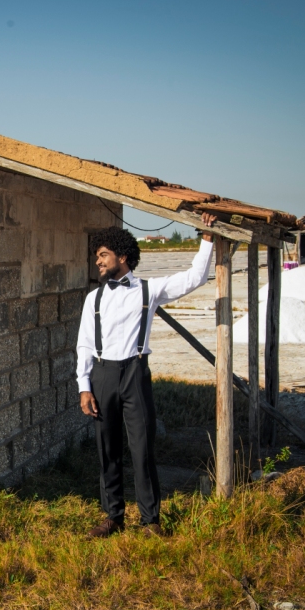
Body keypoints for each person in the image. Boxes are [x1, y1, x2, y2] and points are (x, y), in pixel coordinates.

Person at [78, 215, 217, 538]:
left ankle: (150, 520)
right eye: (97, 257)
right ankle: (113, 515)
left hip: (135, 374)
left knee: (142, 448)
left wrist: (207, 239)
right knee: (107, 448)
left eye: (103, 256)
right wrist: (84, 387)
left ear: (122, 257)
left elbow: (195, 277)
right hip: (102, 375)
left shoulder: (149, 291)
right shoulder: (93, 299)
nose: (97, 262)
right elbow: (84, 344)